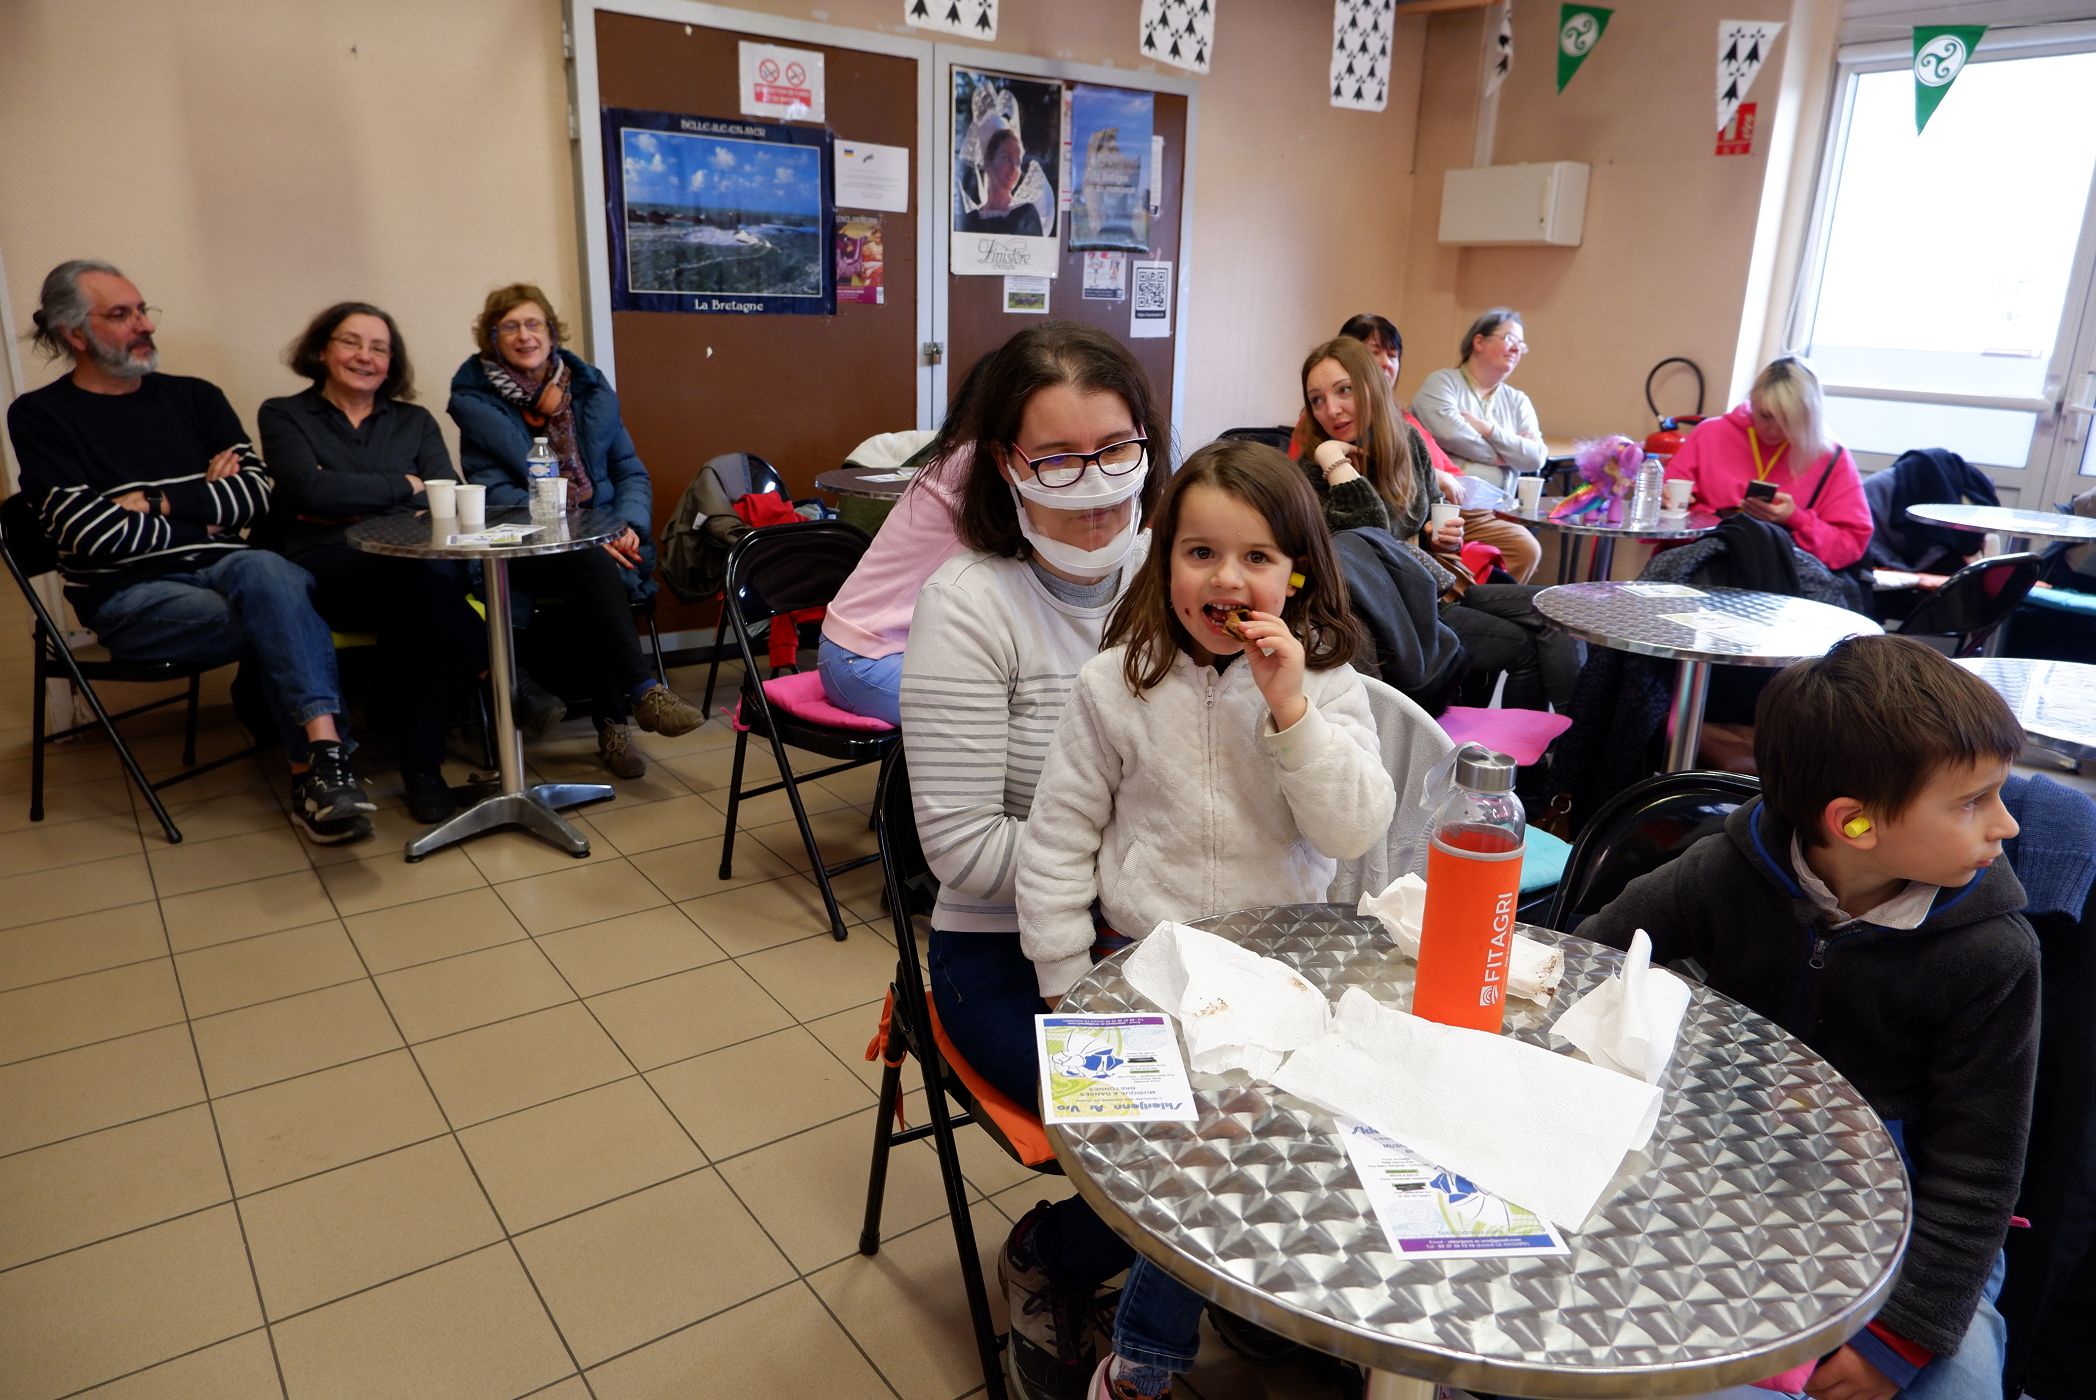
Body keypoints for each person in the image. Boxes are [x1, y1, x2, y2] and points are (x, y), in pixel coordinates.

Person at [1017, 441, 1401, 1399]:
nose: (1227, 580)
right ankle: (1143, 1357)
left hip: (1284, 975)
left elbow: (1356, 829)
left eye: (1256, 557)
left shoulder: (1326, 685)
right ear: (1164, 565)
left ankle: (1134, 1267)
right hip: (1142, 968)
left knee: (1303, 1131)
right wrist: (1065, 984)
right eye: (1200, 554)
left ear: (1295, 575)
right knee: (1201, 1151)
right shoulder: (1114, 685)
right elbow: (1056, 843)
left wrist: (1292, 710)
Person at [1583, 635, 2037, 1400]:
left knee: (1960, 1385)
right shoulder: (1726, 869)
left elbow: (1979, 1174)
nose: (2006, 825)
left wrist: (1897, 1344)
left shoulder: (1994, 953)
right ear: (1854, 824)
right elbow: (1592, 958)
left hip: (1914, 1220)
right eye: (1972, 802)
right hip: (1721, 1178)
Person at [901, 322, 1167, 1400]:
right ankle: (1054, 1250)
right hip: (1004, 952)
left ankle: (1224, 1283)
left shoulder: (1178, 568)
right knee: (1157, 1117)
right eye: (1055, 458)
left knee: (1283, 1088)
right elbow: (962, 845)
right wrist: (1139, 874)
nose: (1092, 485)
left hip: (1165, 935)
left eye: (1115, 449)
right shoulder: (970, 605)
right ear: (1004, 465)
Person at [7, 259, 376, 843]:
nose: (145, 325)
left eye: (142, 309)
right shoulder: (39, 415)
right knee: (281, 607)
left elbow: (257, 497)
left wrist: (157, 501)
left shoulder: (196, 398)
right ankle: (319, 773)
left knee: (267, 569)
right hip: (130, 596)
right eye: (121, 315)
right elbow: (90, 534)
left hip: (233, 569)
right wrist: (205, 510)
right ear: (74, 333)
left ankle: (322, 767)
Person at [448, 282, 701, 778]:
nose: (525, 335)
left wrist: (625, 524)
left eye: (534, 324)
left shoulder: (587, 389)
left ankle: (621, 719)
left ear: (551, 332)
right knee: (591, 561)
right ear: (493, 337)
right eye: (511, 327)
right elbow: (494, 493)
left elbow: (630, 472)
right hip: (524, 550)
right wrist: (584, 531)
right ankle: (636, 698)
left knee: (594, 568)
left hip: (603, 539)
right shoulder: (478, 403)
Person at [258, 302, 488, 823]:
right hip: (327, 570)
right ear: (322, 350)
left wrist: (345, 492)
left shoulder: (414, 420)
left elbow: (444, 495)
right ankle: (491, 681)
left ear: (391, 362)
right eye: (350, 342)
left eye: (379, 348)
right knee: (422, 592)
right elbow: (308, 492)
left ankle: (425, 771)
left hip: (413, 566)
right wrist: (403, 485)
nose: (365, 356)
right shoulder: (283, 414)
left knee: (417, 600)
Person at [1298, 338, 1577, 711]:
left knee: (1559, 611)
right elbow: (1368, 541)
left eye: (1344, 390)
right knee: (1523, 647)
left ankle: (1569, 737)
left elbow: (1430, 516)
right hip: (1396, 612)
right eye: (1317, 399)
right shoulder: (1314, 469)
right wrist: (1334, 461)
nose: (1331, 409)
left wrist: (1442, 538)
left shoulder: (1407, 440)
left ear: (1371, 385)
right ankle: (1510, 743)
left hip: (1436, 586)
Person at [818, 353, 994, 726]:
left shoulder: (960, 455)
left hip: (894, 649)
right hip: (864, 659)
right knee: (1008, 712)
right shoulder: (975, 463)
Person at [1664, 356, 1872, 571]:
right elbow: (1662, 514)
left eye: (1787, 421)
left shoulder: (1829, 456)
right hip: (1702, 567)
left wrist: (1795, 519)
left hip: (1782, 579)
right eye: (1765, 416)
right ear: (1752, 401)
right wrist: (1680, 506)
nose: (1773, 430)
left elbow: (1849, 546)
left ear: (1807, 417)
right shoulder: (1710, 433)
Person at [1413, 308, 1544, 581]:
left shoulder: (1518, 401)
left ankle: (1481, 600)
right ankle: (1462, 598)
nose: (1516, 349)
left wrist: (1488, 429)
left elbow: (1535, 458)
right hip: (1445, 505)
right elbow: (1451, 433)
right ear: (1479, 341)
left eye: (1521, 345)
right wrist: (1508, 454)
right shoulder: (1441, 383)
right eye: (1509, 339)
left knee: (1527, 549)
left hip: (1495, 512)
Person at [960, 127, 1044, 237]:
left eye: (1017, 161)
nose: (1014, 168)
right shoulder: (971, 220)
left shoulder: (1026, 216)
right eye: (1006, 158)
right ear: (988, 162)